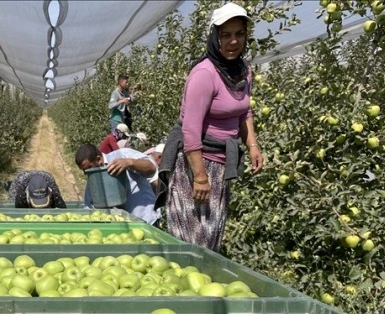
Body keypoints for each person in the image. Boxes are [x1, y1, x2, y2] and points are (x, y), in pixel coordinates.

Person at [157, 2, 264, 252]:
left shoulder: (242, 71)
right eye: (225, 35)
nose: (233, 42)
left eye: (239, 34)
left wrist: (252, 146)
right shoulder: (204, 74)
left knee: (211, 238)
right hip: (197, 164)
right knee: (192, 241)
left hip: (221, 163)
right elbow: (191, 131)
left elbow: (244, 111)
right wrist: (201, 178)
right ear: (214, 37)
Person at [75, 143, 161, 226]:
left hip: (146, 219)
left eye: (88, 168)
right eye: (84, 171)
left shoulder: (123, 155)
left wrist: (129, 163)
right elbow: (89, 207)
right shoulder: (93, 178)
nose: (86, 173)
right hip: (125, 226)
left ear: (98, 159)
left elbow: (151, 168)